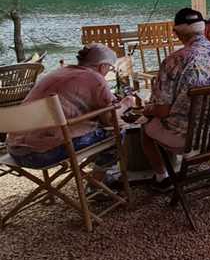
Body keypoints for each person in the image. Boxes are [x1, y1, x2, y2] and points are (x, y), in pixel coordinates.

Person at [141, 8, 210, 190]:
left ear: (177, 33)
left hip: (194, 139)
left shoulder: (174, 61)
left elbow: (162, 110)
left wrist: (147, 110)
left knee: (146, 128)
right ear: (203, 29)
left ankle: (162, 178)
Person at [5, 44, 135, 169]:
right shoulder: (95, 78)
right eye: (110, 68)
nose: (108, 71)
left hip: (14, 149)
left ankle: (95, 177)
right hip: (42, 154)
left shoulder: (59, 72)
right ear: (103, 66)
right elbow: (110, 120)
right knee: (117, 132)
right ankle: (98, 182)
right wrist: (127, 102)